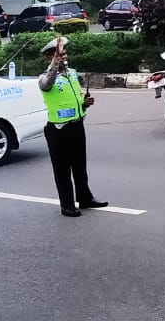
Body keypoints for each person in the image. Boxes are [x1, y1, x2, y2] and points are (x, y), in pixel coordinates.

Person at [38, 37, 107, 217]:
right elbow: (47, 85)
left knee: (80, 166)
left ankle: (85, 198)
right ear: (50, 58)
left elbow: (75, 99)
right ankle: (67, 205)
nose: (64, 57)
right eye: (60, 55)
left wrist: (85, 103)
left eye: (64, 54)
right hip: (58, 130)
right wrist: (55, 62)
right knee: (62, 170)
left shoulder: (72, 74)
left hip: (77, 125)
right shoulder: (45, 78)